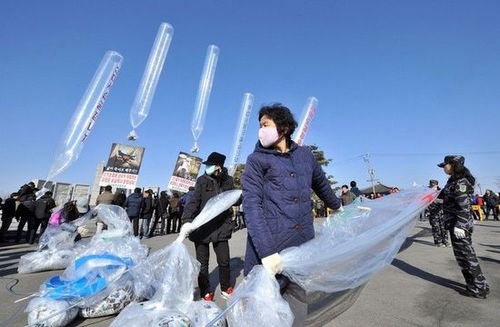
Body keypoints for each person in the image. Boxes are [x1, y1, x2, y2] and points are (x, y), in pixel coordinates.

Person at [241, 103, 341, 291]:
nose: (261, 131)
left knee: (297, 303)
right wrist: (267, 252)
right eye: (260, 126)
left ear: (284, 128)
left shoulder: (305, 155)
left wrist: (338, 207)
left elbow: (322, 185)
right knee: (267, 308)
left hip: (303, 245)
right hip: (272, 247)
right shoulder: (256, 160)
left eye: (266, 125)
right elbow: (252, 207)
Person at [180, 152, 236, 301]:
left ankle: (225, 287)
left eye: (210, 165)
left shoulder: (228, 181)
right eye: (207, 165)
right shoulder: (202, 180)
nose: (207, 167)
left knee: (224, 261)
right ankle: (206, 291)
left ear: (218, 166)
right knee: (202, 264)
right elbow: (194, 202)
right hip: (202, 229)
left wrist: (235, 193)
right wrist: (186, 220)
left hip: (221, 226)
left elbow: (233, 199)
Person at [438, 155, 489, 298]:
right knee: (461, 257)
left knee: (467, 256)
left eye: (445, 165)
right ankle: (473, 285)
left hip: (459, 225)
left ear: (453, 164)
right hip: (454, 223)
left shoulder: (461, 182)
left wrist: (460, 225)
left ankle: (479, 287)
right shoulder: (452, 181)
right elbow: (442, 196)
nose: (443, 168)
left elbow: (463, 206)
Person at [426, 180, 449, 247]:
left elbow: (446, 199)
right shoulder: (427, 192)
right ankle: (438, 242)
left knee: (444, 227)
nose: (432, 187)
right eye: (431, 185)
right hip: (432, 212)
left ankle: (445, 241)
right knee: (436, 227)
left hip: (442, 212)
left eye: (433, 185)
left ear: (436, 185)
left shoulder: (441, 192)